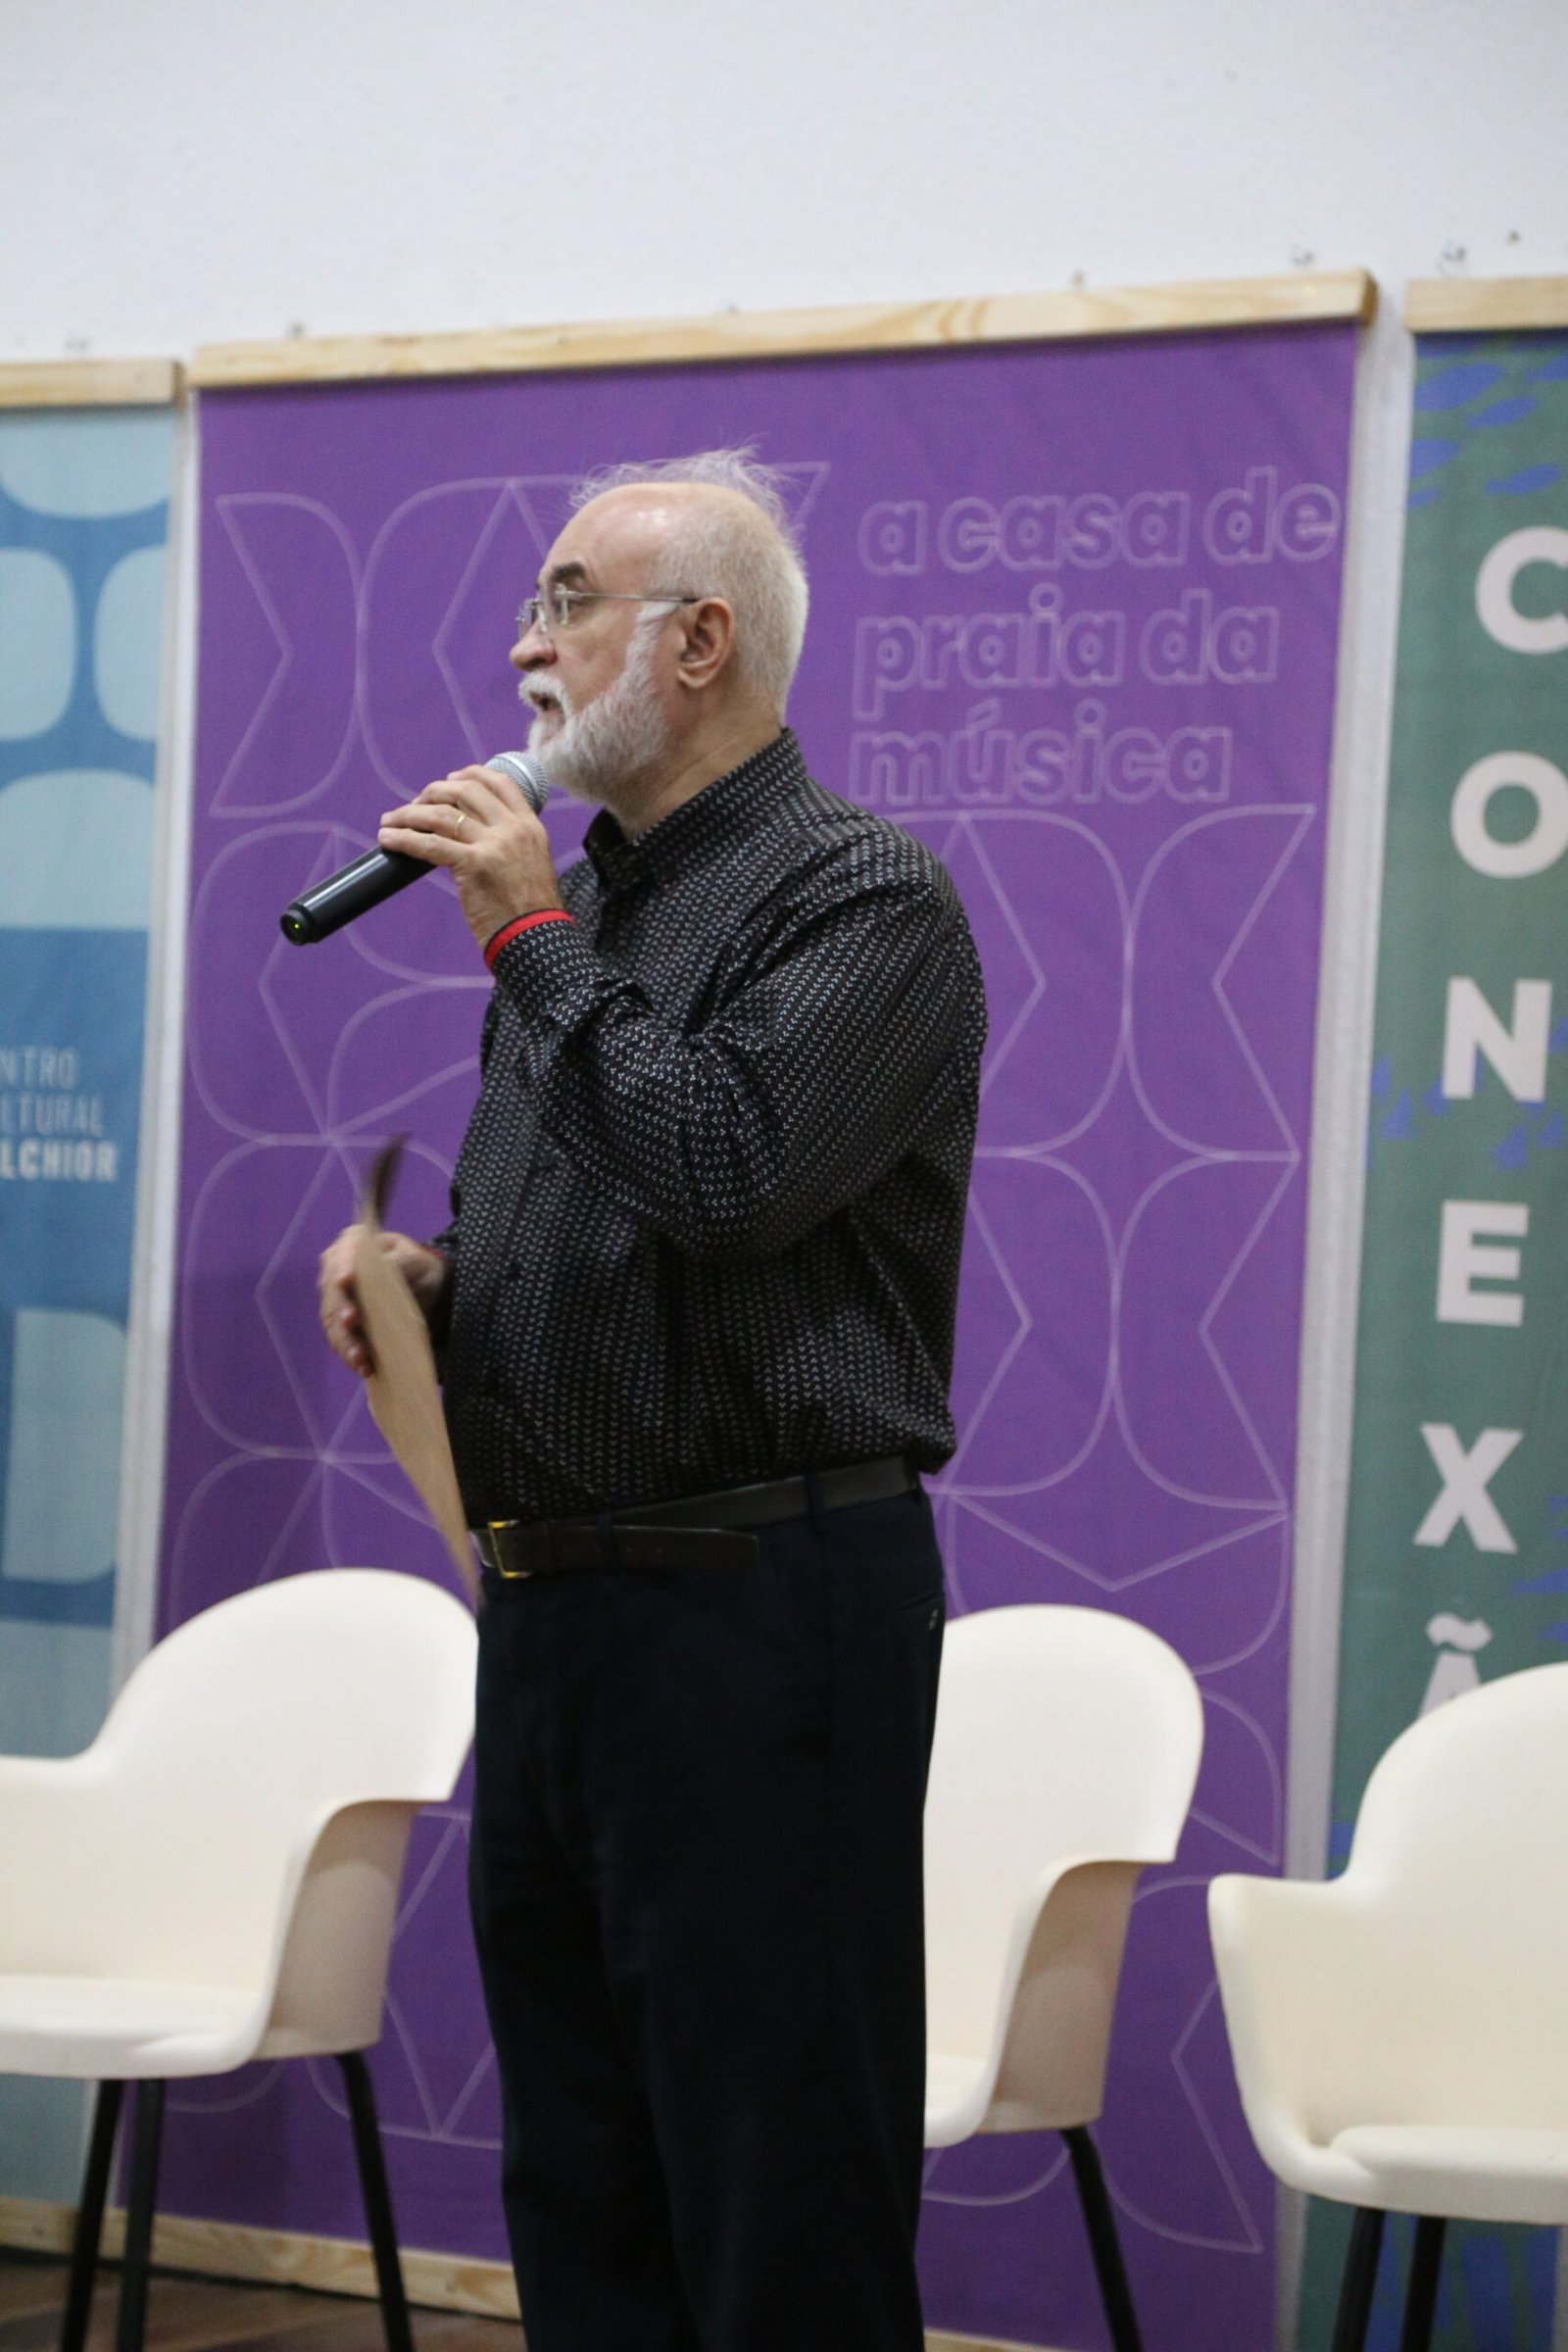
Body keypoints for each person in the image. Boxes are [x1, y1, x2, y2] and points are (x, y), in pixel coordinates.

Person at [318, 450, 986, 2352]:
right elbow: (610, 1240)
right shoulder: (583, 911)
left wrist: (527, 938)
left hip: (759, 1619)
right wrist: (436, 1299)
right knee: (586, 2190)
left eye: (566, 601)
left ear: (697, 643)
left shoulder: (861, 895)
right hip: (557, 1621)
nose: (520, 647)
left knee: (775, 2194)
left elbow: (728, 1172)